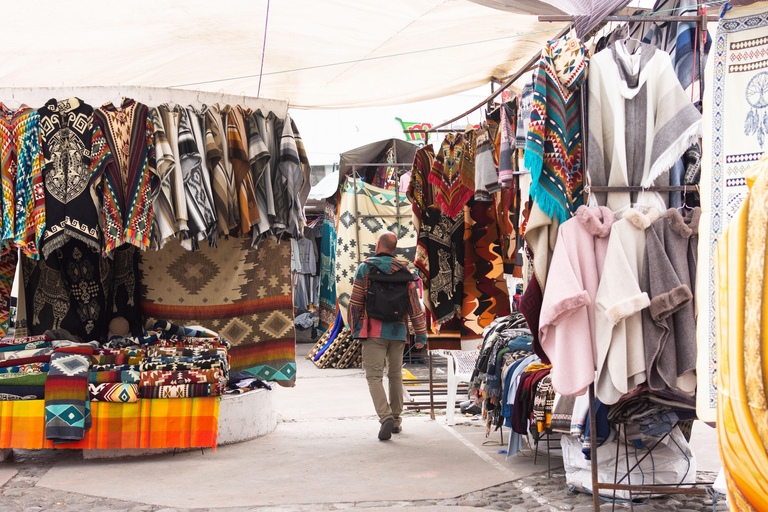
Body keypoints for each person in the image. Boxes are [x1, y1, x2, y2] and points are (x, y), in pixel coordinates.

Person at [347, 231, 427, 441]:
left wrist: (354, 328)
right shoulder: (405, 271)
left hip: (374, 331)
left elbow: (355, 301)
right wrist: (421, 335)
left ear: (377, 246)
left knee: (374, 376)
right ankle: (397, 420)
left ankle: (385, 418)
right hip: (398, 331)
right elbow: (414, 306)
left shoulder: (365, 268)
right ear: (394, 248)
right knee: (395, 375)